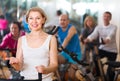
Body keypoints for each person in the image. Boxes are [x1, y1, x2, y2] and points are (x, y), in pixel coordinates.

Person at [8, 7, 58, 81]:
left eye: (38, 18)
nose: (34, 21)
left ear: (43, 20)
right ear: (27, 20)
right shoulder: (22, 40)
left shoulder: (51, 39)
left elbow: (54, 65)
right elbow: (19, 67)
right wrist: (15, 64)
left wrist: (45, 70)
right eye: (31, 18)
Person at [84, 11, 118, 81]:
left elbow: (111, 34)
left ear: (110, 18)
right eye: (105, 16)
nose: (106, 18)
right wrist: (88, 39)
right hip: (102, 49)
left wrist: (107, 40)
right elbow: (93, 34)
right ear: (102, 17)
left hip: (112, 51)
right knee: (95, 57)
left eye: (108, 17)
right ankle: (99, 75)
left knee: (110, 71)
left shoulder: (114, 27)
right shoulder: (98, 27)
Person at [57, 14, 82, 81]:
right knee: (53, 61)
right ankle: (59, 78)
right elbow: (51, 37)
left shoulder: (72, 28)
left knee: (71, 77)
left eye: (64, 20)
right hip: (65, 53)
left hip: (75, 54)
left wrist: (61, 48)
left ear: (68, 21)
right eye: (61, 20)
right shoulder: (58, 29)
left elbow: (67, 39)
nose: (62, 21)